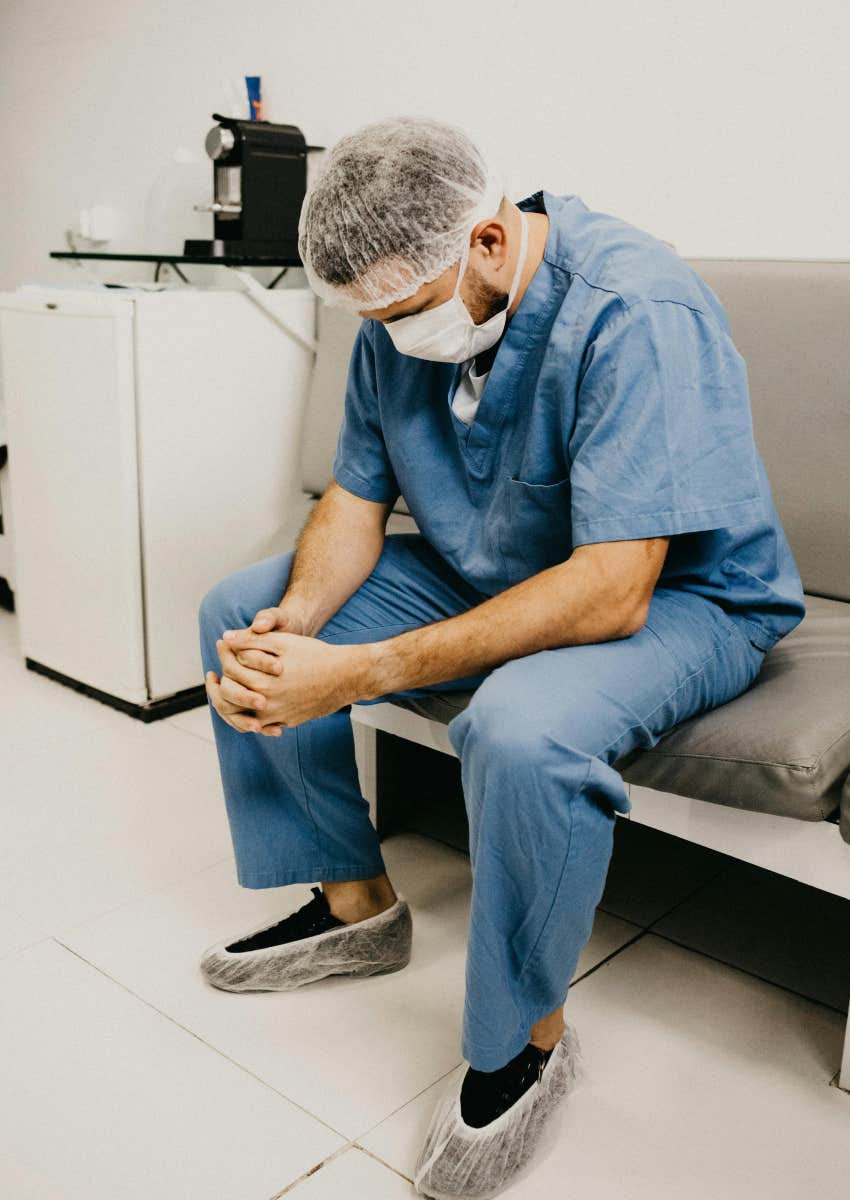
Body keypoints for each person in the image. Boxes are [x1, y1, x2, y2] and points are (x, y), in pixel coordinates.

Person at [197, 115, 805, 1197]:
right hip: (496, 568)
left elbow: (614, 586)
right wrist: (298, 623)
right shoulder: (399, 307)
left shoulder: (632, 306)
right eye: (371, 319)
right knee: (238, 612)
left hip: (682, 597)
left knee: (521, 726)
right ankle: (354, 910)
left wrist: (361, 670)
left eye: (404, 312)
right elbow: (355, 496)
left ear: (486, 240)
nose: (391, 335)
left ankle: (524, 1040)